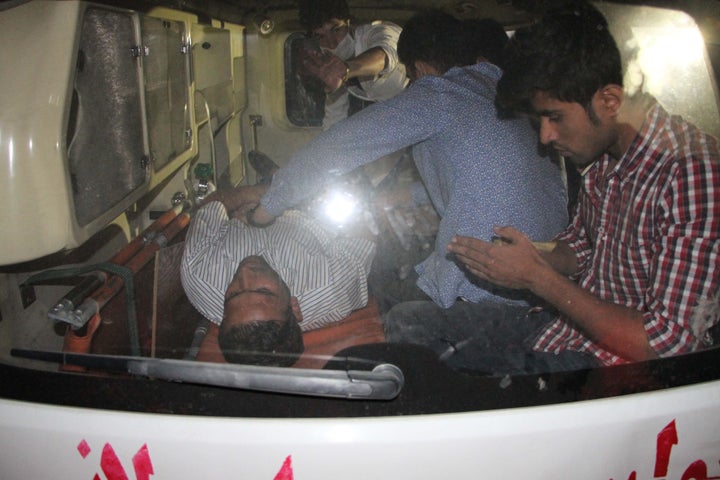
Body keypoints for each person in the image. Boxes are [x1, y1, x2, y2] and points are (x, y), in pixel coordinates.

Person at [386, 2, 720, 375]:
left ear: (609, 101)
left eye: (555, 117)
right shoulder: (603, 158)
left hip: (611, 371)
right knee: (408, 323)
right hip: (564, 329)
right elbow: (581, 247)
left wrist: (537, 278)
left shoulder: (692, 172)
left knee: (450, 385)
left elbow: (666, 343)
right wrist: (529, 256)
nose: (545, 136)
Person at [248, 11, 569, 313]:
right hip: (555, 275)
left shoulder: (440, 93)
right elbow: (476, 175)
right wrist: (397, 197)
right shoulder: (496, 89)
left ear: (420, 68)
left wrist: (266, 208)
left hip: (489, 291)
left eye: (411, 74)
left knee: (374, 289)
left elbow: (340, 146)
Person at [180, 185, 375, 366]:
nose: (245, 273)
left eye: (232, 294)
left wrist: (254, 195)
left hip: (248, 196)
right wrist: (301, 194)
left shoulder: (198, 273)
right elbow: (364, 229)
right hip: (314, 204)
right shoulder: (334, 287)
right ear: (294, 305)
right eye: (263, 290)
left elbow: (212, 206)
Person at [298, 0, 408, 128]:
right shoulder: (334, 68)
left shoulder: (378, 32)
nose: (332, 43)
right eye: (321, 37)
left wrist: (347, 69)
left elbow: (385, 55)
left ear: (350, 22)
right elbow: (334, 114)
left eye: (336, 30)